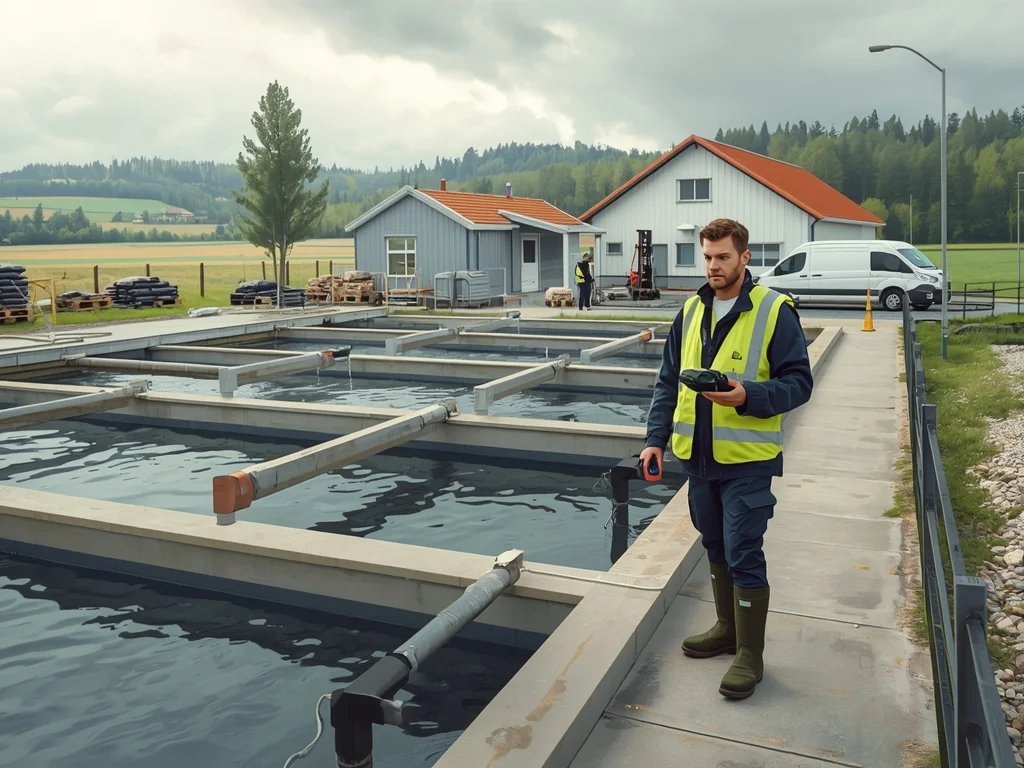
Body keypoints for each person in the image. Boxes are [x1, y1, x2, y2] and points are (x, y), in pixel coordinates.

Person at [639, 218, 812, 700]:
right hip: (698, 459)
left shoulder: (775, 310)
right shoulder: (692, 309)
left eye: (723, 257)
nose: (714, 266)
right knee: (714, 544)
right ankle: (726, 629)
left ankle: (751, 656)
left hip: (748, 461)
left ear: (744, 258)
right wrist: (654, 440)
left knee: (743, 550)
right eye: (708, 257)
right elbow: (667, 381)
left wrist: (747, 396)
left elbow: (799, 382)